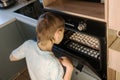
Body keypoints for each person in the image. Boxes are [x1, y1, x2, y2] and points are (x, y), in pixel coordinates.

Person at [9, 12, 73, 80]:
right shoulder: (54, 64)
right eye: (63, 31)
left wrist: (32, 55)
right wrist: (69, 68)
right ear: (58, 34)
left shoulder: (28, 44)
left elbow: (11, 57)